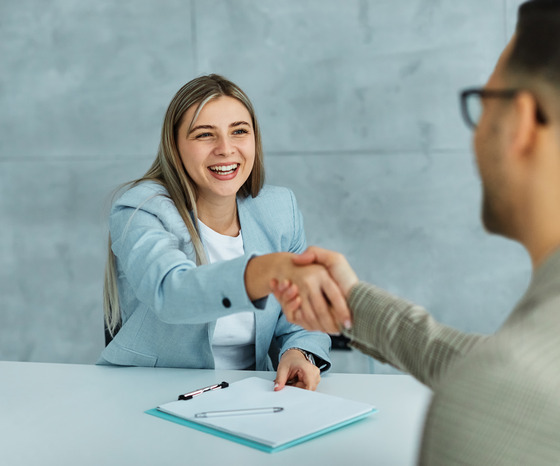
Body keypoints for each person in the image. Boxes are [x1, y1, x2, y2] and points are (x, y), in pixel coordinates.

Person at [272, 0, 560, 462]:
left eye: (484, 102)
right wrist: (355, 301)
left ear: (522, 123)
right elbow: (483, 366)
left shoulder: (501, 396)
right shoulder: (523, 369)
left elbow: (499, 387)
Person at [98, 74, 344, 391]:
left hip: (250, 395)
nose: (226, 149)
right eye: (204, 135)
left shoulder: (279, 208)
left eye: (239, 132)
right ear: (175, 146)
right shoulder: (141, 209)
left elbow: (296, 315)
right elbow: (171, 293)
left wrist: (299, 353)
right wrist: (263, 271)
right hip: (148, 393)